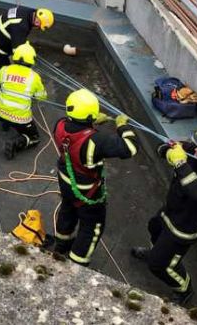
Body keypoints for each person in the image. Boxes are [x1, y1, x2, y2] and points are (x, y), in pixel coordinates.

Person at [131, 126, 197, 304]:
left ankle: (184, 290)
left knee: (160, 266)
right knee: (154, 227)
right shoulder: (195, 150)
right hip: (171, 210)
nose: (196, 149)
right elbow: (162, 147)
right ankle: (155, 252)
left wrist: (180, 163)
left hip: (185, 226)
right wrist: (168, 151)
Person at [44, 89, 138, 266]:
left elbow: (77, 131)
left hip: (65, 182)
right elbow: (130, 148)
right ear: (91, 115)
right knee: (92, 226)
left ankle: (62, 245)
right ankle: (77, 263)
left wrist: (92, 122)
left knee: (68, 210)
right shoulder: (97, 141)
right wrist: (123, 126)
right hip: (87, 192)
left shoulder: (60, 124)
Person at [0, 6, 53, 98]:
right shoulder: (21, 26)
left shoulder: (28, 12)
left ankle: (6, 93)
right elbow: (18, 54)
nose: (37, 28)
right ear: (37, 21)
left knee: (5, 74)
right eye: (38, 27)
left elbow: (19, 39)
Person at [0, 42, 48, 159]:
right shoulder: (34, 77)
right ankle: (16, 143)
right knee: (35, 138)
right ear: (31, 60)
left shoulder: (4, 70)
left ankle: (5, 125)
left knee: (6, 109)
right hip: (20, 119)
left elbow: (0, 83)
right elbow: (41, 97)